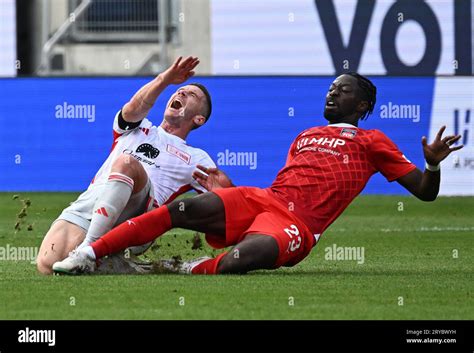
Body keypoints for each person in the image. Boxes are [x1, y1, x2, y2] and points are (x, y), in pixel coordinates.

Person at [52, 73, 464, 275]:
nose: (332, 92)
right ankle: (91, 252)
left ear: (361, 106)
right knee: (184, 211)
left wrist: (432, 163)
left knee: (241, 260)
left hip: (297, 224)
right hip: (263, 197)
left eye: (344, 90)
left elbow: (425, 193)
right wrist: (227, 192)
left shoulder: (373, 141)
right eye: (332, 87)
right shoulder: (306, 134)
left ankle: (178, 268)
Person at [37, 56, 216, 274]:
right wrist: (164, 79)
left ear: (199, 119)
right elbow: (135, 106)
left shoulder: (196, 158)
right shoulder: (136, 127)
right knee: (48, 264)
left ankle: (87, 250)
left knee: (127, 162)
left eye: (192, 94)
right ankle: (154, 268)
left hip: (139, 214)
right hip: (95, 199)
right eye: (179, 90)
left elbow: (223, 198)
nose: (181, 92)